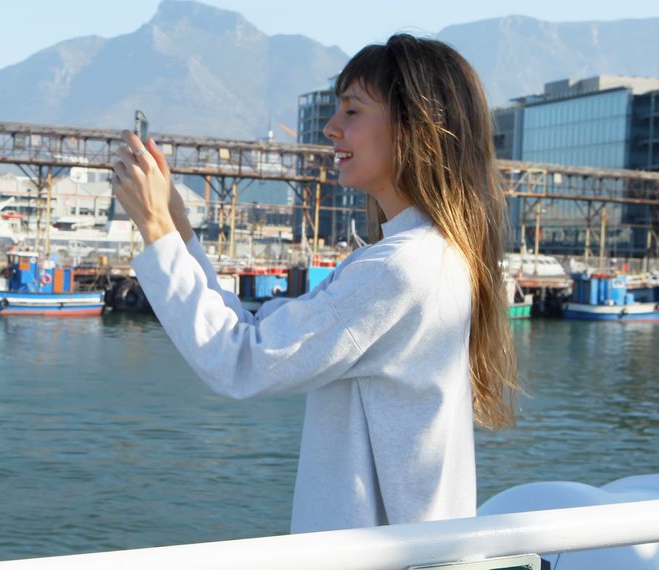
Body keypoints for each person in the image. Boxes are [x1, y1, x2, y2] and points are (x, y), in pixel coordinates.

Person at [110, 34, 519, 534]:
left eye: (352, 111)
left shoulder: (397, 269)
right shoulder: (434, 254)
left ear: (414, 128)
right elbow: (255, 333)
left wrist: (156, 232)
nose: (330, 128)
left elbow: (239, 361)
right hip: (416, 551)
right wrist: (179, 231)